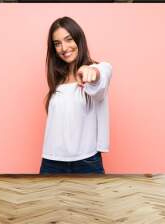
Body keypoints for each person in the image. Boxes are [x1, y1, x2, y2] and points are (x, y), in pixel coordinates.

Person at [40, 16, 112, 174]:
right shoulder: (57, 81)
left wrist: (92, 72)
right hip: (51, 161)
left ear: (79, 40)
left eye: (68, 39)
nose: (63, 48)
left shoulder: (96, 70)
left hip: (87, 162)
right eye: (57, 44)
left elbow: (104, 73)